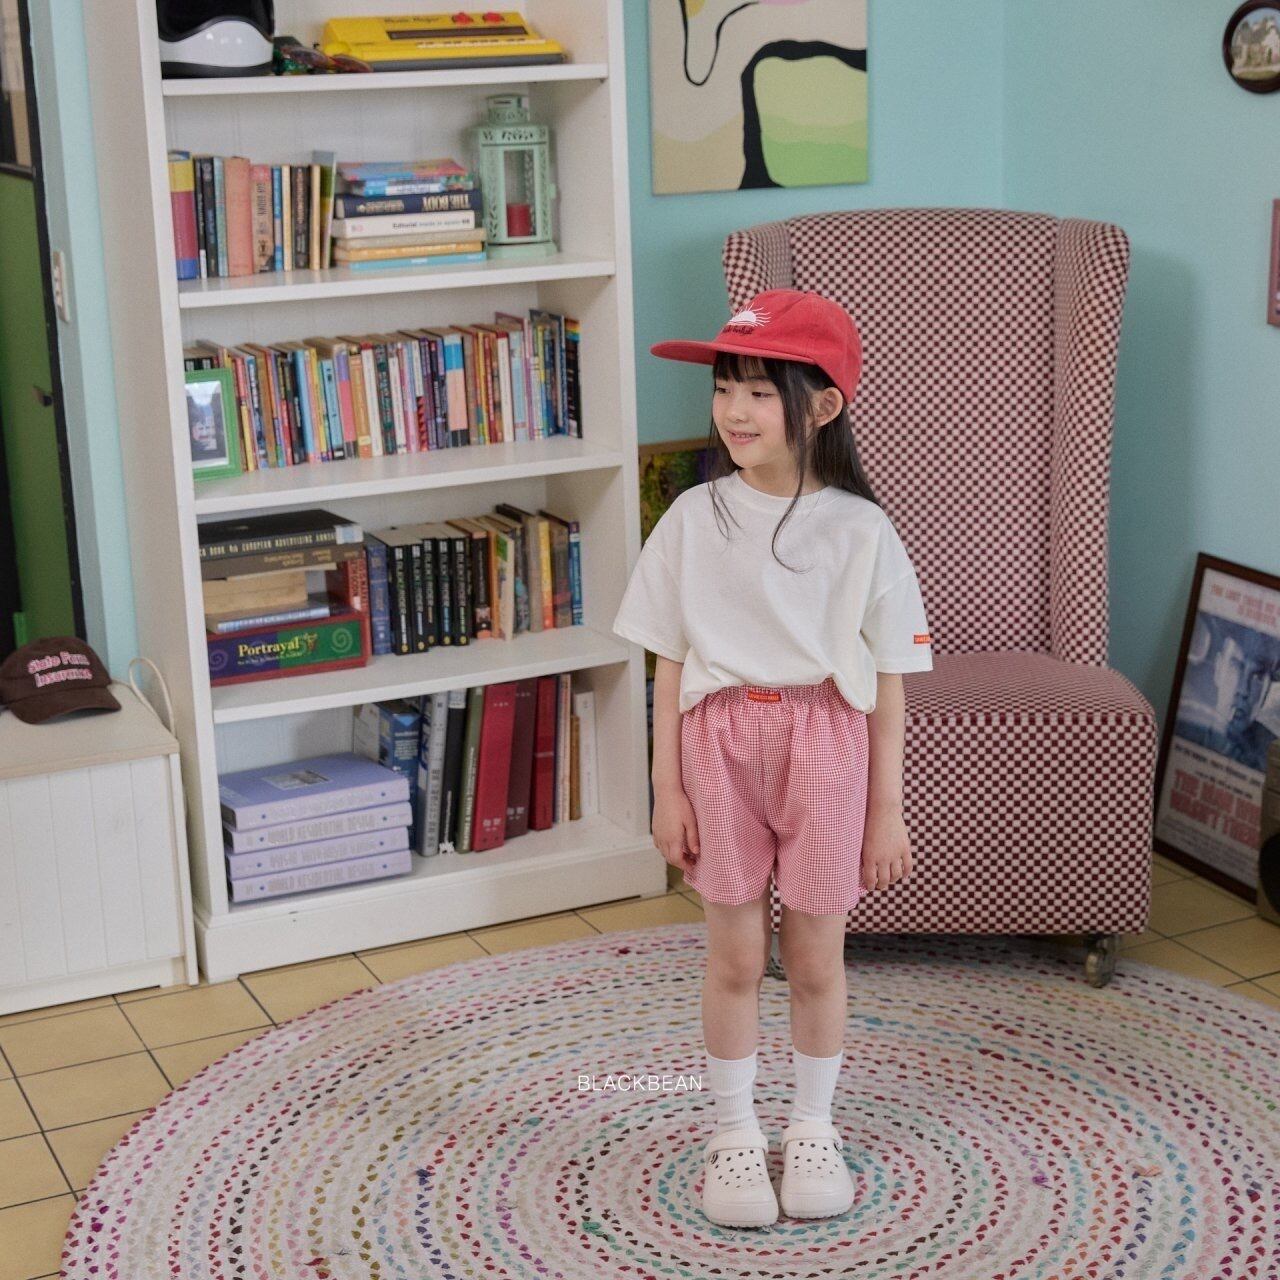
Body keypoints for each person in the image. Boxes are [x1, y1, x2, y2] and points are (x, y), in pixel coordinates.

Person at [611, 288, 933, 1228]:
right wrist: (666, 789)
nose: (735, 410)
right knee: (735, 955)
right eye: (725, 388)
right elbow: (667, 664)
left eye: (759, 390)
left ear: (822, 405)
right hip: (716, 743)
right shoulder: (691, 516)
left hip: (826, 743)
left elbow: (890, 681)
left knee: (816, 956)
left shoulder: (863, 530)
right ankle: (734, 1135)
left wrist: (886, 811)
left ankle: (814, 1127)